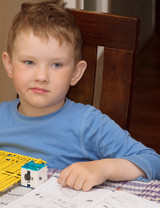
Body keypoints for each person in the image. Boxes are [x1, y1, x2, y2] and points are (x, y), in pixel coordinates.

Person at [1, 0, 160, 192]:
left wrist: (104, 167)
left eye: (56, 65)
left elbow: (153, 162)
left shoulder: (88, 124)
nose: (41, 77)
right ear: (9, 65)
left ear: (76, 73)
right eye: (29, 62)